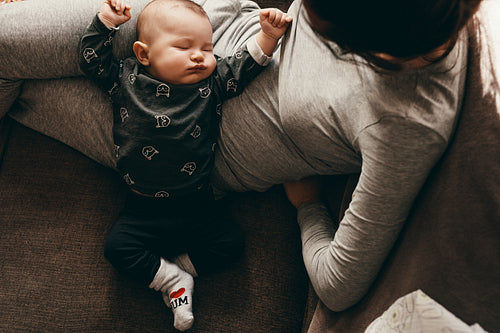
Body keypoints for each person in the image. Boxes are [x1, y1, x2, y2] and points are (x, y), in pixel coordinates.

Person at [0, 0, 482, 316]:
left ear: (359, 44)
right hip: (185, 28)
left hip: (169, 146)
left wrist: (308, 208)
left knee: (16, 83)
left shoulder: (406, 126)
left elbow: (339, 285)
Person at [77, 0, 290, 330]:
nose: (199, 56)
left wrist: (269, 36)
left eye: (207, 48)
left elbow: (245, 65)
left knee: (231, 242)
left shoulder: (211, 83)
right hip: (140, 208)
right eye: (184, 47)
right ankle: (170, 278)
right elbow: (91, 60)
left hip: (197, 203)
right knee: (116, 248)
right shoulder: (125, 78)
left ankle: (177, 273)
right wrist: (107, 21)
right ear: (144, 54)